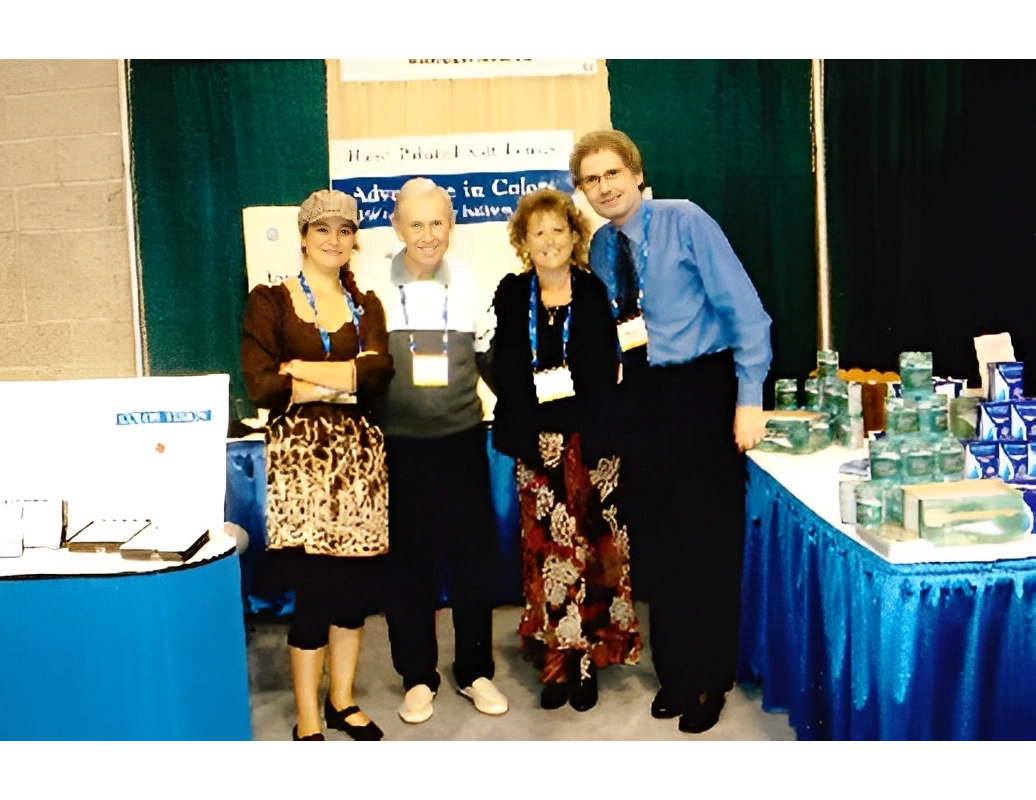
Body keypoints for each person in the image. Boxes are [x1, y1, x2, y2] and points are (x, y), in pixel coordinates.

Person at [569, 130, 773, 734]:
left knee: (707, 543)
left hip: (701, 392)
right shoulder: (602, 247)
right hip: (643, 400)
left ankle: (712, 678)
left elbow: (747, 314)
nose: (604, 187)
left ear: (636, 173)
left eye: (612, 173)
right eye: (590, 180)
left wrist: (749, 400)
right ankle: (677, 673)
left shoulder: (686, 221)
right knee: (659, 541)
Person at [241, 188, 395, 743]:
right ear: (304, 236)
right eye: (323, 229)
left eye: (345, 230)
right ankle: (307, 717)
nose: (334, 239)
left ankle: (342, 701)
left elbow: (377, 378)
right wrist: (344, 379)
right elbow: (262, 385)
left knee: (351, 592)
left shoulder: (367, 304)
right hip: (301, 466)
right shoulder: (270, 301)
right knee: (316, 591)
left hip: (359, 464)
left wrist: (299, 371)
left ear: (355, 241)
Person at [488, 188, 642, 712]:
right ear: (523, 241)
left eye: (559, 230)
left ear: (575, 237)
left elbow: (606, 374)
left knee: (595, 556)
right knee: (549, 558)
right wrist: (535, 438)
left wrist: (589, 442)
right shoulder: (512, 294)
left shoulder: (595, 292)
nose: (549, 240)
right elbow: (508, 373)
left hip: (593, 446)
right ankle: (557, 661)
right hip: (538, 447)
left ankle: (588, 660)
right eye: (539, 232)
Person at [368, 177, 508, 725]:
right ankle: (417, 678)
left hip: (462, 444)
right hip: (399, 450)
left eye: (437, 223)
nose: (427, 235)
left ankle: (475, 671)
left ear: (451, 226)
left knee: (472, 563)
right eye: (416, 224)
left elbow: (495, 366)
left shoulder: (472, 285)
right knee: (409, 569)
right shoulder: (372, 291)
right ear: (397, 227)